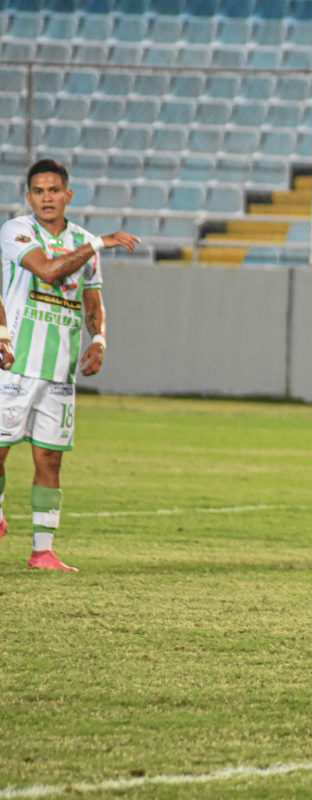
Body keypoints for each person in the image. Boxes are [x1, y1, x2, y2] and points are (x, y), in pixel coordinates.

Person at [0, 159, 139, 571]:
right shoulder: (17, 231)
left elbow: (92, 299)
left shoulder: (82, 240)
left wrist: (99, 338)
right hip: (15, 367)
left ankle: (42, 552)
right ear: (29, 197)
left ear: (68, 195)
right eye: (39, 191)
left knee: (50, 459)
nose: (47, 197)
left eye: (54, 190)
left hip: (59, 372)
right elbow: (46, 271)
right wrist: (99, 243)